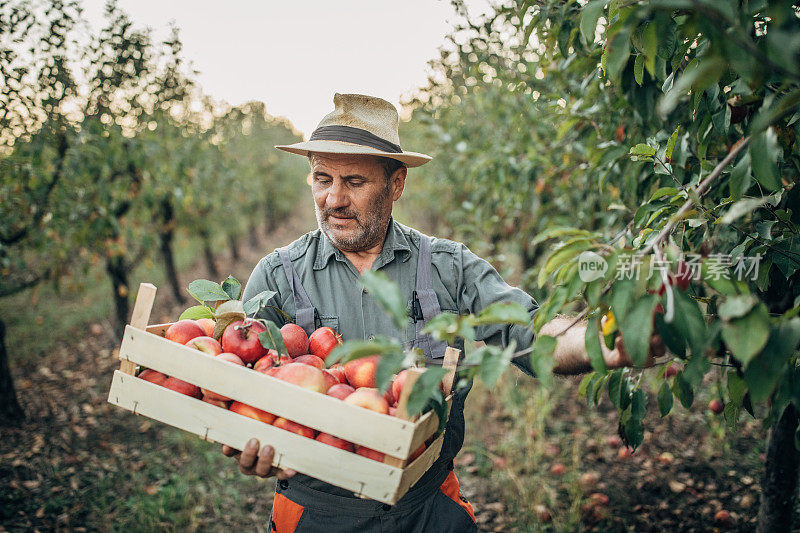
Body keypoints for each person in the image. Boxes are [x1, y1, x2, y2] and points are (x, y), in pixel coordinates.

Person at [223, 93, 663, 532]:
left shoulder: (446, 266)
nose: (333, 199)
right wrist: (247, 436)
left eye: (354, 182)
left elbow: (526, 332)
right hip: (316, 512)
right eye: (322, 179)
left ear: (396, 184)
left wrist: (604, 340)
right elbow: (240, 388)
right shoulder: (278, 276)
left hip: (427, 507)